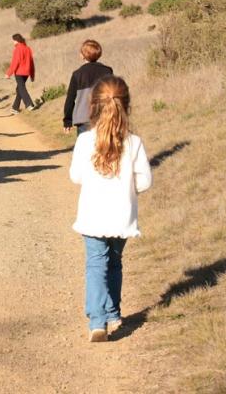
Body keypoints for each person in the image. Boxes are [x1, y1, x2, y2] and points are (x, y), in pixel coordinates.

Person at [69, 75, 152, 342]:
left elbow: (76, 177)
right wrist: (128, 189)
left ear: (93, 106)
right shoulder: (134, 142)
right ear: (126, 105)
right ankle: (113, 311)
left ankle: (98, 321)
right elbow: (145, 181)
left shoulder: (85, 141)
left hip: (93, 214)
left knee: (96, 264)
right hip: (121, 215)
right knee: (115, 262)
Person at [63, 39, 114, 135]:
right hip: (104, 117)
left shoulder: (77, 74)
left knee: (85, 149)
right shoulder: (108, 71)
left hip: (83, 119)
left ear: (82, 55)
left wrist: (67, 121)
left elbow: (70, 99)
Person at [5, 33, 36, 113]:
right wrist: (32, 75)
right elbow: (31, 63)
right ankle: (15, 108)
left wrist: (8, 73)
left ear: (16, 41)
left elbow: (15, 63)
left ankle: (29, 104)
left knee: (21, 88)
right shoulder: (28, 48)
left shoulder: (18, 49)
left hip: (19, 72)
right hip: (26, 73)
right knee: (19, 88)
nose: (12, 42)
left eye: (13, 40)